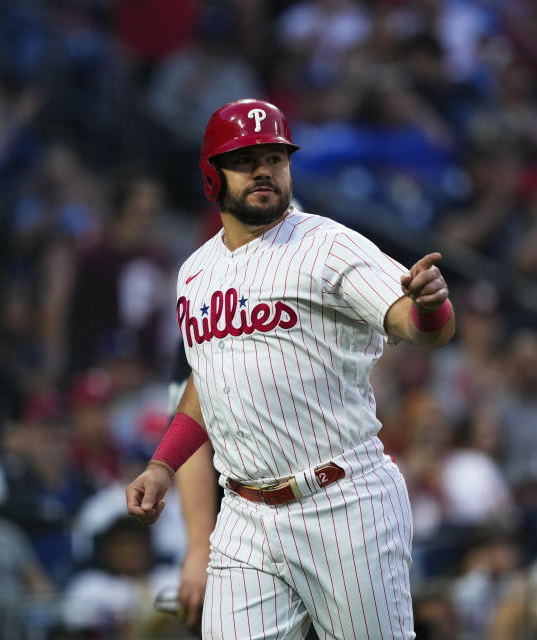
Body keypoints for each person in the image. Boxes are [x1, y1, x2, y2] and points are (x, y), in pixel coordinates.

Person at [126, 98, 456, 640]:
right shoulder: (195, 273)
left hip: (344, 505)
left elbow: (423, 328)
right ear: (212, 176)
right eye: (245, 158)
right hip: (245, 517)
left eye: (275, 157)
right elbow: (208, 381)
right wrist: (163, 465)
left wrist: (430, 304)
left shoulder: (327, 244)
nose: (263, 170)